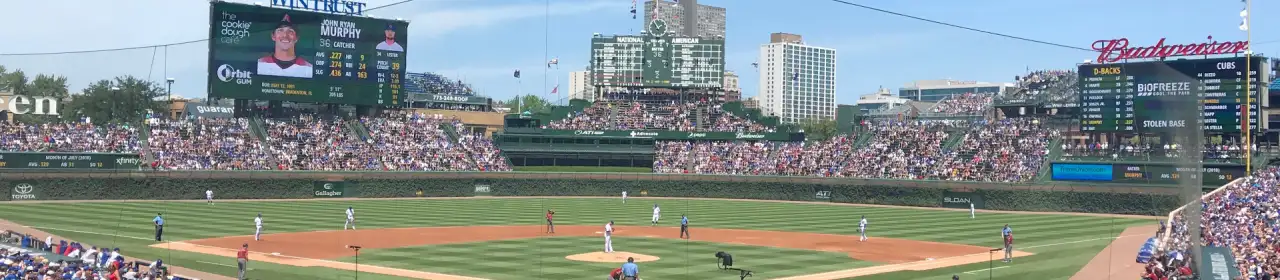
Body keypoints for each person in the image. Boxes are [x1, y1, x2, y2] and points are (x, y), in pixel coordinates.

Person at [256, 14, 313, 78]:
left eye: (290, 32)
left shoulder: (308, 67)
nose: (285, 35)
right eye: (280, 30)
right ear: (273, 36)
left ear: (296, 38)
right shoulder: (261, 63)